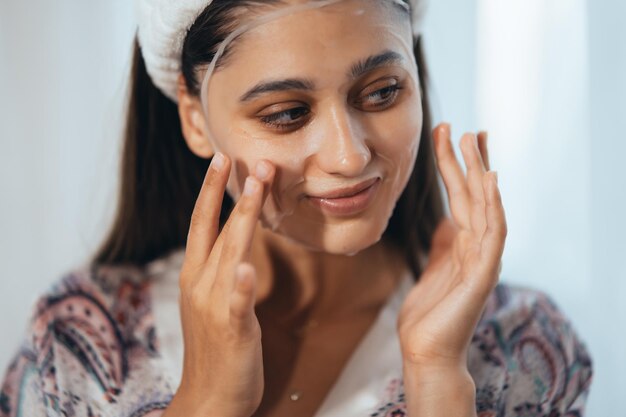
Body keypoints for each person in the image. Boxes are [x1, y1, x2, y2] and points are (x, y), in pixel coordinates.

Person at [0, 0, 593, 416]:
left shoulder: (524, 345)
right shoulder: (74, 345)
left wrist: (439, 382)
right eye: (286, 113)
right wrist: (204, 406)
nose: (348, 155)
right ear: (194, 118)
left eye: (383, 92)